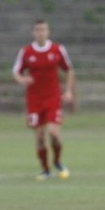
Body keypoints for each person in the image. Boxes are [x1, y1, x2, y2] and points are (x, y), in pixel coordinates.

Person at [12, 19, 75, 181]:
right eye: (38, 30)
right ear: (34, 32)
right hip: (34, 100)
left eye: (43, 30)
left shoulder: (57, 49)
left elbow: (69, 70)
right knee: (40, 137)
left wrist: (68, 91)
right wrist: (22, 80)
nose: (41, 33)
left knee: (54, 133)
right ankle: (45, 169)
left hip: (53, 97)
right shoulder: (26, 52)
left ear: (48, 32)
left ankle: (58, 161)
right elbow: (16, 72)